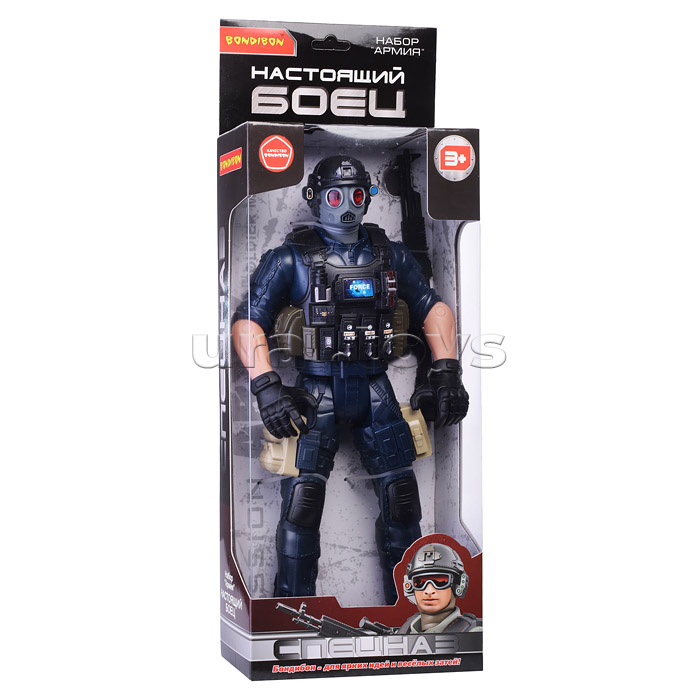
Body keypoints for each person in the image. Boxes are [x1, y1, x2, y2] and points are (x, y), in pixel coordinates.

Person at [232, 156, 469, 603]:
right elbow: (248, 321)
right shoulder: (290, 259)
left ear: (369, 197)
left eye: (356, 194)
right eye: (334, 196)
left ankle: (408, 607)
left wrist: (446, 371)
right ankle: (294, 608)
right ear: (314, 198)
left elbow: (432, 307)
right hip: (314, 394)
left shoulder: (390, 255)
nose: (346, 205)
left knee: (402, 501)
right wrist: (267, 387)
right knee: (301, 505)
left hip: (376, 388)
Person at [397, 542, 482, 633]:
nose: (429, 591)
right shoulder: (401, 633)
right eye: (420, 582)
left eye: (441, 581)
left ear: (458, 584)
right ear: (410, 587)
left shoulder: (474, 634)